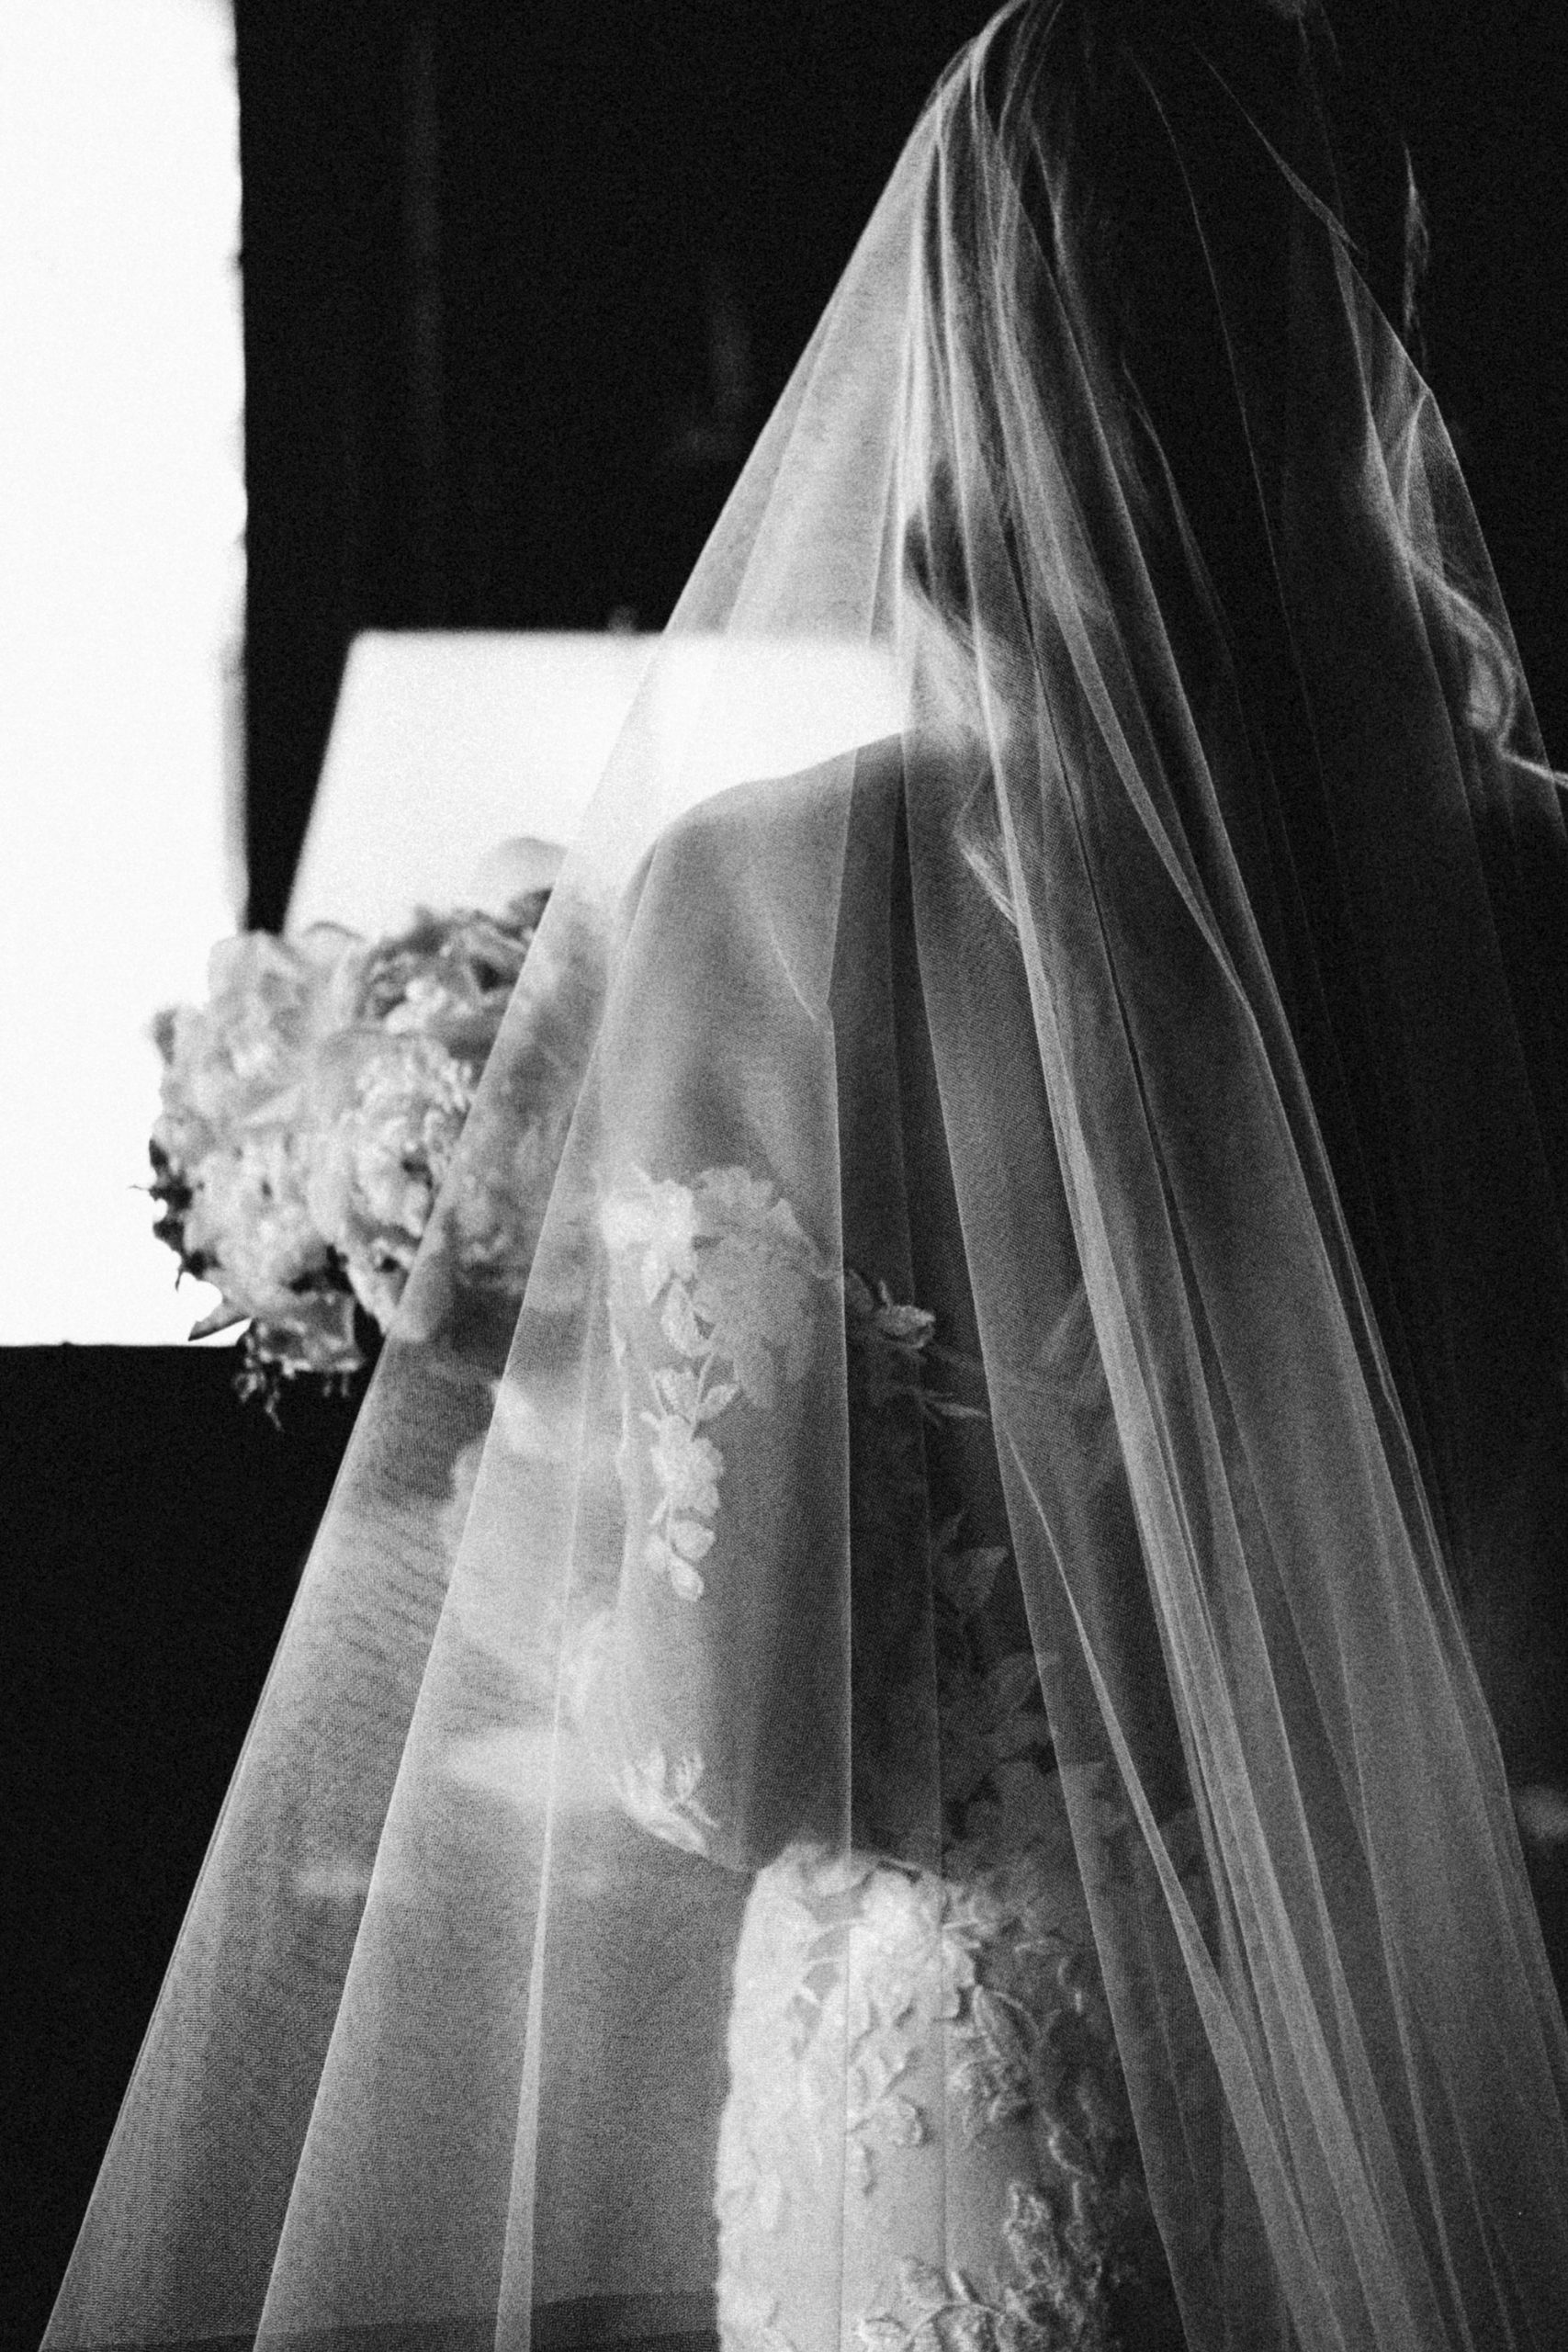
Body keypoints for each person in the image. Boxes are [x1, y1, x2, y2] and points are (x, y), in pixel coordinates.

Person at [45, 2, 1568, 2346]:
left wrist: (534, 1402)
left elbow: (717, 1756)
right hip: (1452, 2048)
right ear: (1356, 330)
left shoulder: (782, 904)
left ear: (953, 350)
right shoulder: (1522, 900)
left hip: (978, 2103)